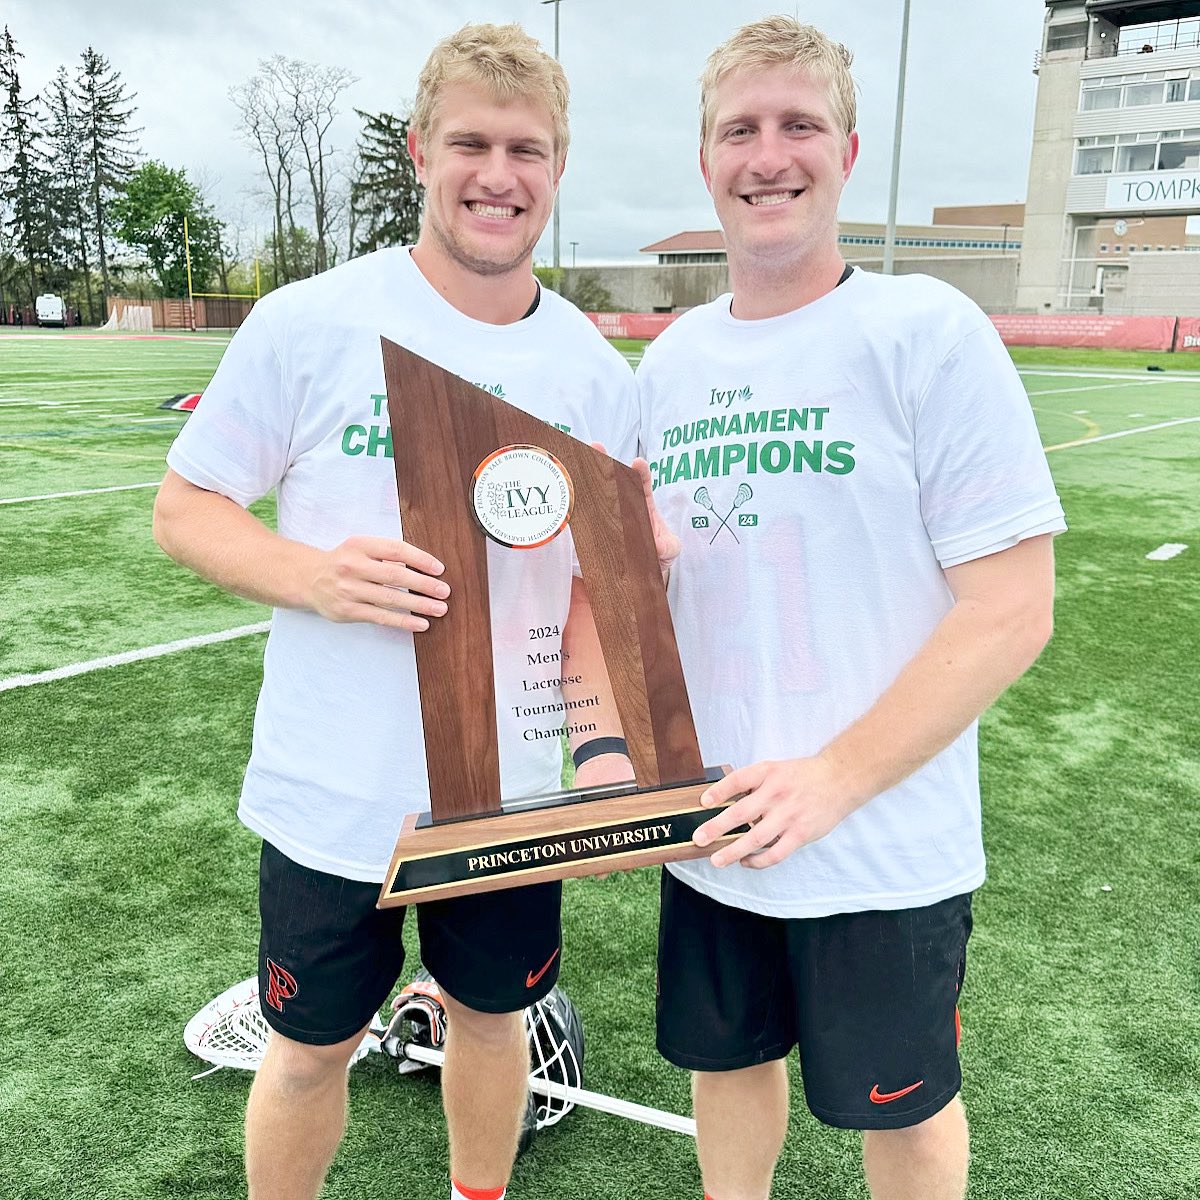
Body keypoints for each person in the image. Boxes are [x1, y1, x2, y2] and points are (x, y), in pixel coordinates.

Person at [153, 23, 639, 1200]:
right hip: (333, 787)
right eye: (470, 141)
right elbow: (187, 507)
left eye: (526, 149)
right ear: (422, 152)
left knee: (491, 1024)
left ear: (557, 169)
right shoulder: (311, 321)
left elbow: (597, 591)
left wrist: (611, 748)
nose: (497, 173)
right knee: (311, 1048)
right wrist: (311, 574)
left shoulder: (592, 371)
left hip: (504, 792)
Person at [637, 17, 1065, 1200]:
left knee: (908, 1113)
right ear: (707, 160)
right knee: (726, 1071)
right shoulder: (666, 366)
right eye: (741, 130)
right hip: (715, 826)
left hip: (880, 842)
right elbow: (635, 594)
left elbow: (1012, 608)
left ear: (849, 149)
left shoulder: (926, 333)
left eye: (798, 125)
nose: (768, 155)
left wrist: (832, 777)